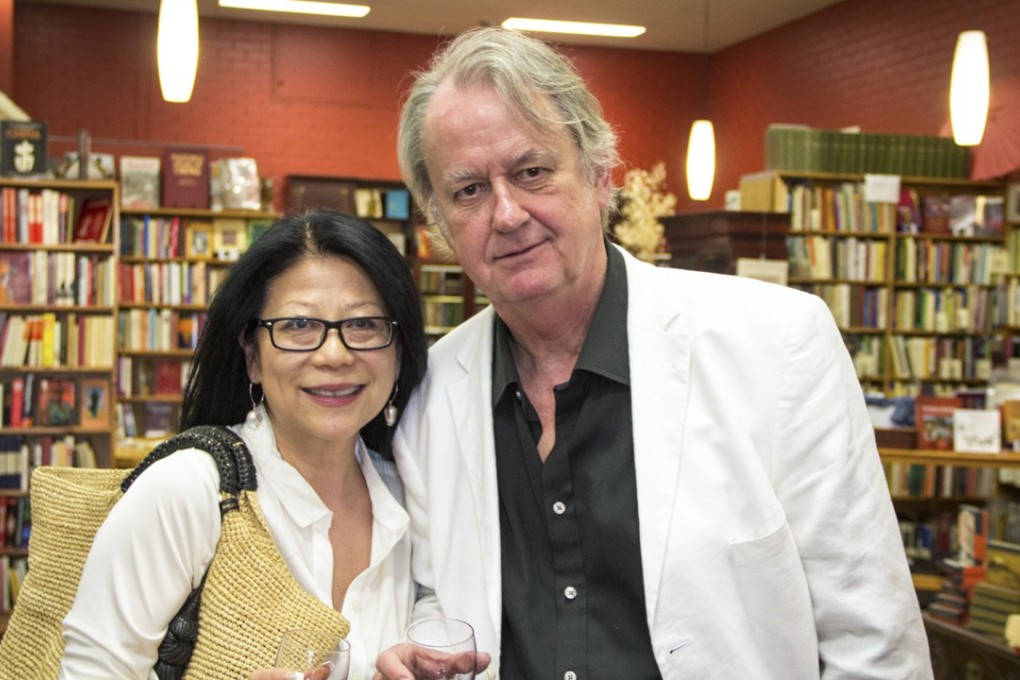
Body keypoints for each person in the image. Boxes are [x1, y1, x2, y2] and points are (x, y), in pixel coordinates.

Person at [377, 26, 933, 679]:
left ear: (599, 175)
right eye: (467, 190)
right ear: (439, 222)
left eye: (532, 172)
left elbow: (873, 640)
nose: (506, 213)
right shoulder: (427, 391)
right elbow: (442, 596)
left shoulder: (778, 343)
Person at [60, 209, 428, 680]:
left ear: (400, 349)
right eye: (298, 325)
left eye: (364, 325)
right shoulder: (189, 489)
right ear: (252, 356)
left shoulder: (409, 495)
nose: (335, 354)